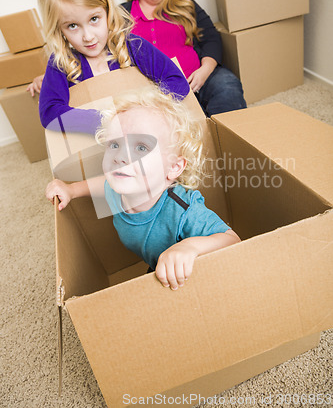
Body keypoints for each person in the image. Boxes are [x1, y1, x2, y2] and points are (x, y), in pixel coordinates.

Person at [46, 86, 241, 290]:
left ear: (174, 167)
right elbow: (102, 184)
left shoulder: (184, 209)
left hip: (190, 269)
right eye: (114, 144)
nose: (120, 157)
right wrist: (72, 190)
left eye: (141, 147)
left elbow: (232, 239)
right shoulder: (120, 187)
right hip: (158, 265)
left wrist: (189, 247)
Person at [37, 0, 190, 134]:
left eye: (94, 19)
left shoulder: (133, 46)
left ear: (108, 9)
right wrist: (107, 120)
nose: (88, 36)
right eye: (72, 26)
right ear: (58, 28)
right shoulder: (61, 63)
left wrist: (144, 110)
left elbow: (177, 81)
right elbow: (49, 113)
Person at [121, 0, 247, 117]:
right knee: (188, 123)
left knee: (227, 86)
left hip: (201, 79)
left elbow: (211, 38)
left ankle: (233, 139)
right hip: (159, 95)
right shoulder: (122, 15)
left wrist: (205, 70)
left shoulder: (186, 6)